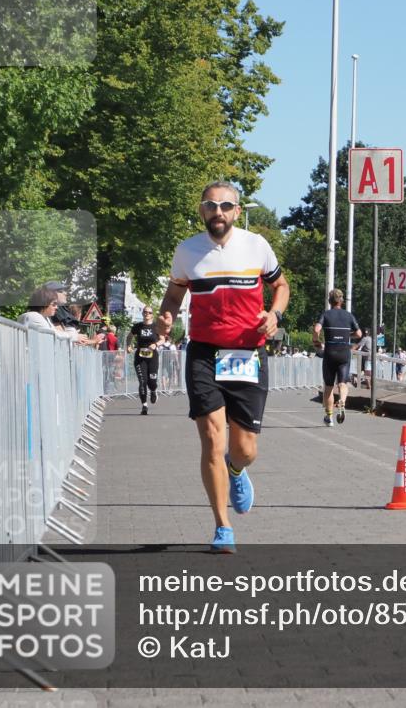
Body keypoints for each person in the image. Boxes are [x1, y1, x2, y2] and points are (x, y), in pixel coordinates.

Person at [158, 181, 288, 553]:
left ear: (237, 210)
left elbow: (281, 285)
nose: (218, 212)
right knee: (212, 439)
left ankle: (236, 469)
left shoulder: (256, 245)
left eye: (225, 206)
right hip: (204, 352)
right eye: (211, 205)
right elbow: (173, 294)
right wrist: (166, 317)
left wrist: (274, 314)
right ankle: (222, 526)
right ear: (202, 210)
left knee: (245, 449)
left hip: (247, 353)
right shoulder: (187, 251)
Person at [313, 289, 362, 426]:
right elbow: (359, 333)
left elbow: (317, 329)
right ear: (341, 301)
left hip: (330, 353)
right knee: (342, 383)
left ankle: (329, 417)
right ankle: (342, 401)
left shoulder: (326, 314)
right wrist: (347, 336)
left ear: (330, 301)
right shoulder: (349, 316)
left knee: (328, 387)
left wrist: (316, 341)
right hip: (344, 353)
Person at [128, 307, 160, 415]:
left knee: (152, 381)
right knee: (142, 381)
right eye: (145, 312)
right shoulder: (138, 326)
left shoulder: (156, 326)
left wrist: (156, 344)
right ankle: (144, 406)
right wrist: (128, 345)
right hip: (140, 357)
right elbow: (130, 336)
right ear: (142, 313)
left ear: (152, 315)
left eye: (149, 312)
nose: (147, 314)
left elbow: (163, 338)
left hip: (153, 358)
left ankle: (154, 390)